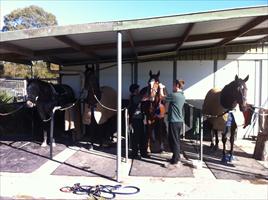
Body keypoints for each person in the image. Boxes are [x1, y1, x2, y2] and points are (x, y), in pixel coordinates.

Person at [165, 79, 186, 165]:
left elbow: (163, 98)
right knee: (176, 139)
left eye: (173, 85)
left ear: (177, 86)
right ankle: (175, 156)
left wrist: (163, 89)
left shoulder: (174, 95)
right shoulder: (182, 96)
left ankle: (176, 159)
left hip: (174, 121)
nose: (172, 87)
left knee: (174, 140)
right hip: (179, 121)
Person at [128, 83, 149, 159]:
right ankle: (135, 153)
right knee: (136, 137)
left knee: (142, 136)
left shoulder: (136, 97)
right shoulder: (134, 97)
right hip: (135, 120)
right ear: (135, 90)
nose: (139, 90)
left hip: (140, 119)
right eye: (137, 89)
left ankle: (142, 152)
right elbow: (145, 98)